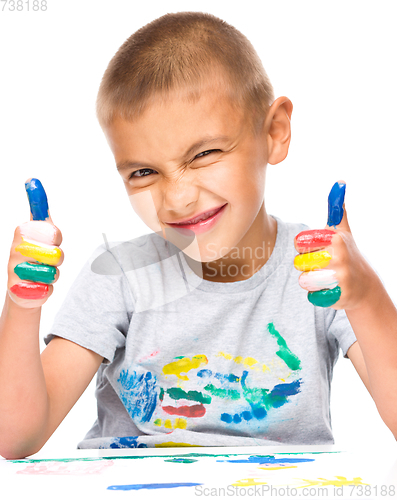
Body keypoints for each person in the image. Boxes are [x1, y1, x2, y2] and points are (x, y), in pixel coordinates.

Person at [1, 11, 396, 459]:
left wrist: (365, 296)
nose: (178, 198)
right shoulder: (120, 275)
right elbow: (16, 437)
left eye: (204, 153)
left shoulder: (319, 269)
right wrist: (22, 303)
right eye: (144, 172)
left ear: (274, 132)